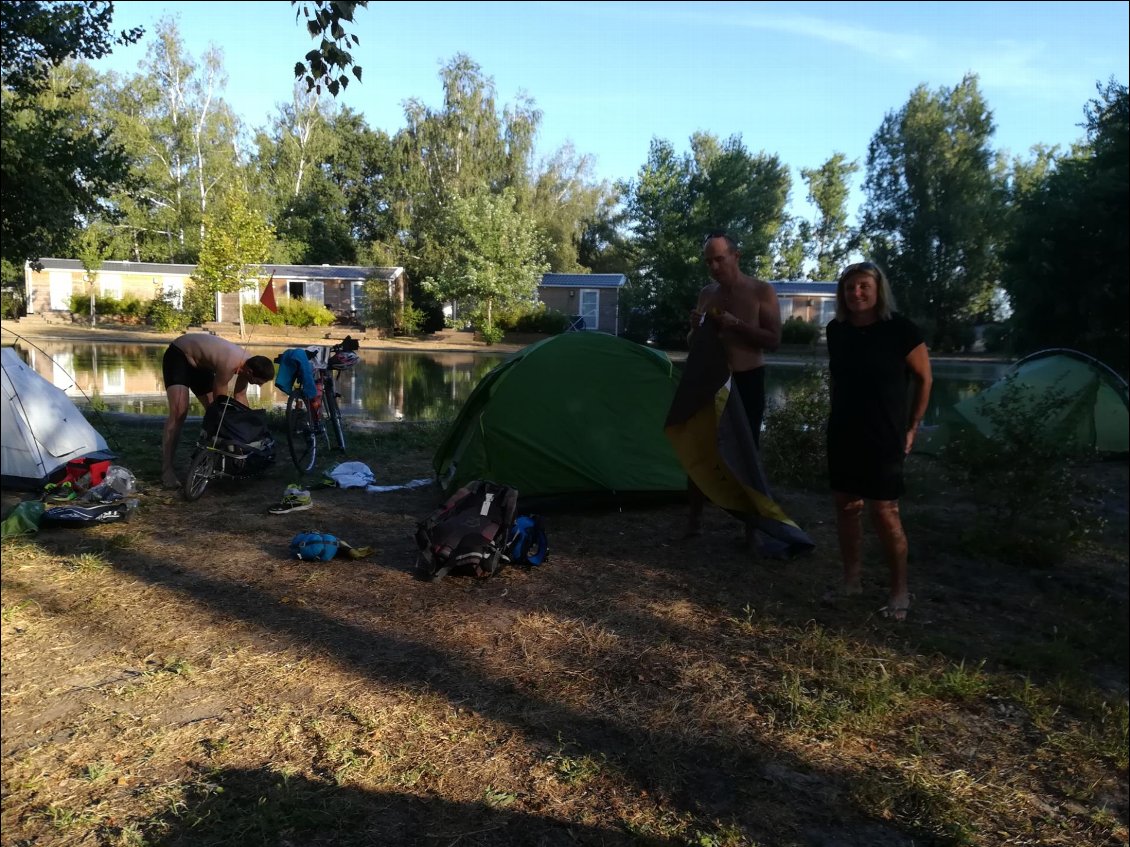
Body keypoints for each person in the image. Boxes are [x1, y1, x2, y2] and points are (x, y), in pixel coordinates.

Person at [825, 261, 932, 621]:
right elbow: (837, 381)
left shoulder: (900, 330)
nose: (856, 293)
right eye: (849, 287)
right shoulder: (836, 330)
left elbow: (924, 379)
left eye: (863, 287)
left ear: (878, 290)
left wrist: (913, 425)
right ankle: (851, 581)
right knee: (846, 505)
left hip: (884, 433)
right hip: (843, 431)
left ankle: (899, 589)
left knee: (884, 511)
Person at [683, 231, 782, 540]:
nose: (713, 266)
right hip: (711, 378)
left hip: (747, 379)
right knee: (700, 448)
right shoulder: (706, 293)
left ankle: (751, 528)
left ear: (736, 256)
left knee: (745, 451)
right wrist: (695, 329)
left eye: (719, 259)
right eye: (708, 261)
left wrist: (736, 324)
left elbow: (774, 340)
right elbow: (692, 343)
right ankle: (694, 520)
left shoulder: (761, 291)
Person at [161, 333, 275, 488]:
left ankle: (209, 460)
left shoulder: (248, 364)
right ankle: (167, 470)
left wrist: (248, 424)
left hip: (200, 366)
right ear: (250, 373)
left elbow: (240, 395)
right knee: (180, 411)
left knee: (214, 414)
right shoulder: (229, 364)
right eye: (258, 382)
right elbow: (220, 398)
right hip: (179, 356)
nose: (259, 386)